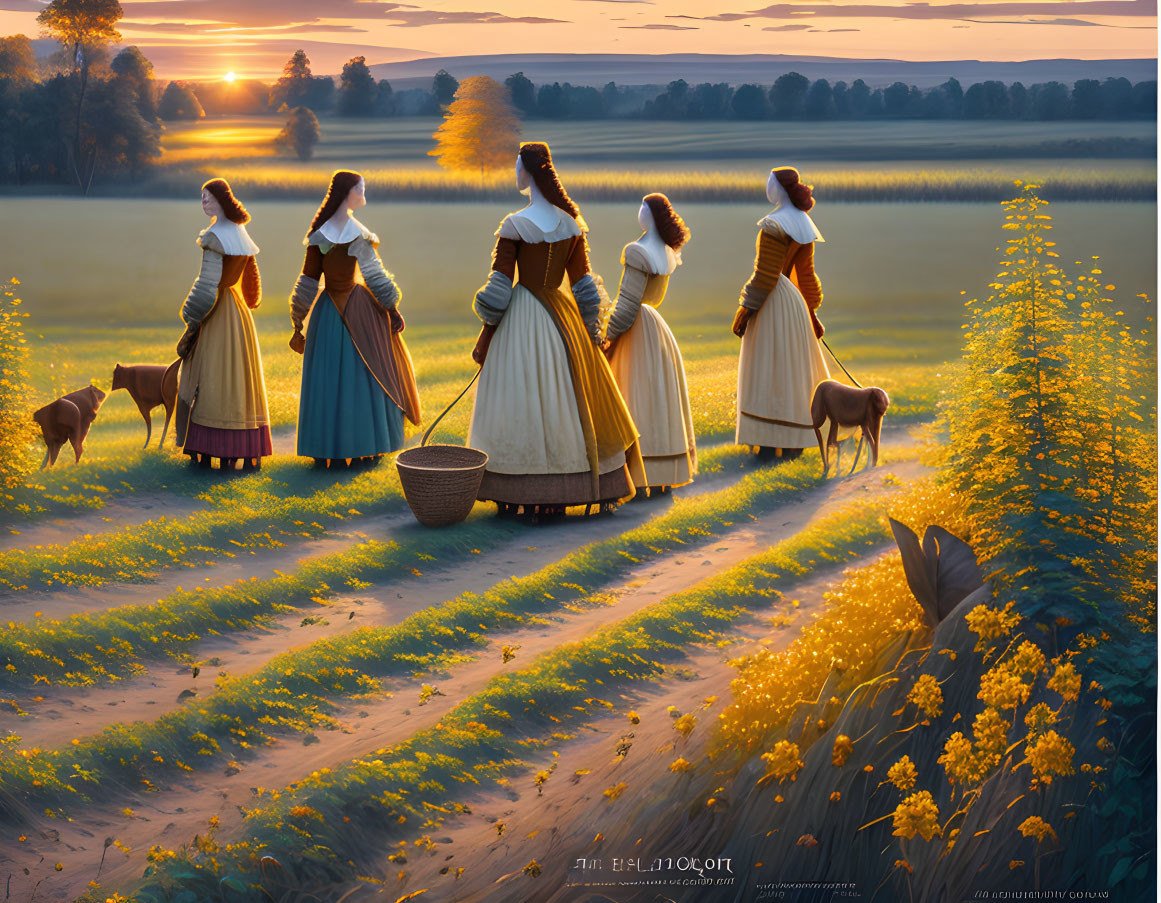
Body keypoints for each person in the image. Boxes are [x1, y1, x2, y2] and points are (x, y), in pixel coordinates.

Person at [469, 141, 644, 519]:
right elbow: (583, 286)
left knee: (517, 399)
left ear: (529, 171)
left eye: (518, 165)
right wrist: (591, 333)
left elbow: (499, 288)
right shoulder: (570, 224)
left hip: (521, 317)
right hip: (563, 321)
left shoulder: (514, 224)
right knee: (566, 400)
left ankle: (515, 491)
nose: (515, 172)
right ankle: (563, 491)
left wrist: (485, 337)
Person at [289, 170, 421, 468]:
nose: (363, 194)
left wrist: (298, 317)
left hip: (327, 315)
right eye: (360, 189)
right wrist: (391, 307)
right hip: (359, 310)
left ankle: (327, 449)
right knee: (364, 376)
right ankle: (367, 446)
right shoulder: (358, 234)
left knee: (328, 378)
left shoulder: (319, 235)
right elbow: (375, 277)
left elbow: (307, 282)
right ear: (346, 193)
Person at [732, 167, 847, 460]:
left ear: (779, 189)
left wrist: (746, 309)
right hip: (793, 303)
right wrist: (810, 311)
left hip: (773, 303)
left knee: (769, 369)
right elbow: (806, 276)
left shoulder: (774, 224)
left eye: (770, 183)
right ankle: (794, 441)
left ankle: (769, 443)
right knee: (793, 370)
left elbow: (765, 275)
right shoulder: (802, 222)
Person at [174, 178, 271, 471]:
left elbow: (207, 286)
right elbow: (252, 279)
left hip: (218, 310)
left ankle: (208, 448)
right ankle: (243, 449)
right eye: (202, 198)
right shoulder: (240, 233)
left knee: (211, 375)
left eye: (209, 198)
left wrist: (191, 316)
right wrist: (250, 300)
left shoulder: (215, 236)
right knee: (240, 376)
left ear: (222, 200)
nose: (204, 202)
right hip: (238, 312)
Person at [602, 193, 697, 495]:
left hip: (637, 331)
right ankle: (663, 474)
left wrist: (608, 334)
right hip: (657, 328)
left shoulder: (637, 251)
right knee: (658, 399)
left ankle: (638, 474)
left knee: (635, 397)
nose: (639, 213)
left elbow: (628, 305)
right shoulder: (667, 251)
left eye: (642, 208)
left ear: (650, 214)